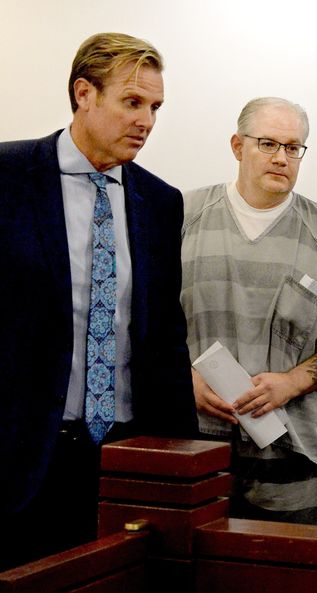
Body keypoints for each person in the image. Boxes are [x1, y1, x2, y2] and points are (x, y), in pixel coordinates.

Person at [0, 32, 198, 569]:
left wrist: (182, 458)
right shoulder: (9, 176)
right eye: (132, 102)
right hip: (24, 455)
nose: (146, 121)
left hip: (124, 455)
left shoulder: (159, 202)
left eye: (155, 107)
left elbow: (166, 338)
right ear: (84, 93)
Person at [181, 97, 317, 525]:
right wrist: (182, 378)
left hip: (293, 453)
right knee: (183, 558)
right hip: (192, 442)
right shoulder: (183, 216)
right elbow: (137, 319)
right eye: (268, 143)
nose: (281, 158)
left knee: (282, 562)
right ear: (238, 146)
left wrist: (291, 383)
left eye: (293, 148)